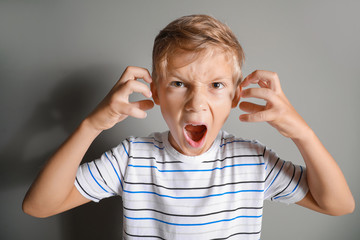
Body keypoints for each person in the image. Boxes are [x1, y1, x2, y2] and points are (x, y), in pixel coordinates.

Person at [23, 14, 354, 239]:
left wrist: (302, 134)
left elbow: (338, 204)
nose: (196, 103)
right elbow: (39, 206)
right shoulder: (132, 158)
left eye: (216, 85)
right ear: (154, 93)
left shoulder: (252, 162)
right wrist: (92, 124)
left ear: (237, 95)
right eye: (179, 83)